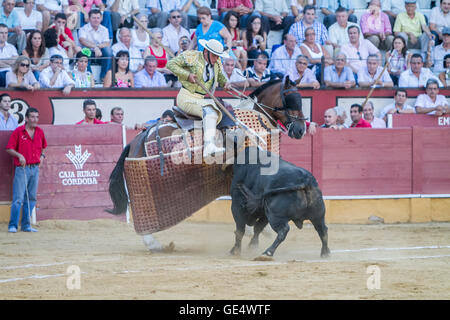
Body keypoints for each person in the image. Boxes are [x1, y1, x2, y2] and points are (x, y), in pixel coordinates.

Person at [166, 39, 232, 158]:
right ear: (206, 51)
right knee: (210, 112)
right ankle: (208, 146)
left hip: (201, 99)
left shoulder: (216, 64)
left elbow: (221, 78)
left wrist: (226, 83)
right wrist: (187, 75)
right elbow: (170, 64)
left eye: (218, 56)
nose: (216, 59)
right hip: (186, 96)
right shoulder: (192, 56)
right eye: (214, 55)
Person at [6, 107, 47, 233]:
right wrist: (19, 155)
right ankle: (12, 225)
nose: (35, 119)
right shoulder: (18, 132)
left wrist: (42, 156)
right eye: (33, 117)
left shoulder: (39, 131)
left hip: (35, 168)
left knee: (32, 197)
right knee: (18, 198)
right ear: (27, 118)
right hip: (22, 168)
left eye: (37, 117)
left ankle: (26, 225)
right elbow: (9, 148)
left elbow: (44, 147)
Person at [78, 9, 113, 82]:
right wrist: (95, 47)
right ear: (89, 19)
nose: (96, 20)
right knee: (84, 50)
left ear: (101, 19)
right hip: (88, 51)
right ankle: (90, 77)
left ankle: (104, 77)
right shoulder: (83, 29)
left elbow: (107, 43)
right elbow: (82, 40)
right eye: (94, 18)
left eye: (98, 18)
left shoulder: (104, 29)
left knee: (108, 51)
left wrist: (97, 47)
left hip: (100, 52)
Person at [0, 23, 18, 87]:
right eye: (1, 33)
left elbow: (15, 62)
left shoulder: (11, 47)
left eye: (6, 33)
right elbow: (12, 62)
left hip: (10, 73)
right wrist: (9, 62)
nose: (4, 35)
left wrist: (1, 62)